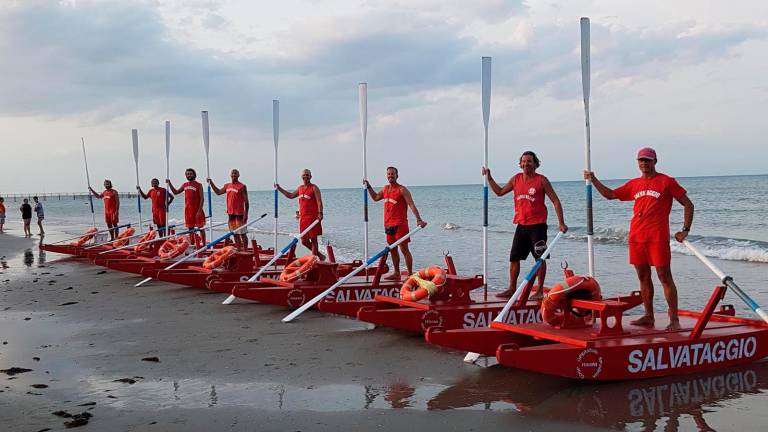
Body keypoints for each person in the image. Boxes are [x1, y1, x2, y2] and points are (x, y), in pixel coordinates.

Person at [584, 147, 694, 330]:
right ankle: (648, 316)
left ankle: (674, 319)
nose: (644, 163)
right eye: (641, 160)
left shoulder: (667, 182)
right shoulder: (634, 184)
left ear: (655, 161)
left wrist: (685, 230)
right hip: (636, 237)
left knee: (664, 276)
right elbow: (610, 195)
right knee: (643, 277)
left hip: (657, 237)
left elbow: (688, 204)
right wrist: (593, 179)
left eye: (648, 160)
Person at [483, 151, 568, 299]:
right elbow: (499, 192)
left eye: (529, 161)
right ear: (520, 164)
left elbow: (555, 201)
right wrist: (489, 177)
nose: (526, 164)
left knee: (539, 259)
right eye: (523, 161)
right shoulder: (516, 179)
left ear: (535, 164)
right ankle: (511, 288)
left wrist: (561, 222)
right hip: (521, 225)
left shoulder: (542, 180)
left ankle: (540, 290)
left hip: (538, 226)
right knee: (514, 258)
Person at [365, 166, 428, 280]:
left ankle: (410, 274)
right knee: (392, 250)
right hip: (388, 225)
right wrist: (368, 186)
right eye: (389, 174)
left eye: (393, 174)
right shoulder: (385, 189)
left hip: (400, 225)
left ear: (397, 175)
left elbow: (411, 205)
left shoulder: (402, 190)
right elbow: (375, 198)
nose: (390, 176)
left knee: (404, 249)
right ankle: (397, 273)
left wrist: (418, 219)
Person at [276, 169, 325, 259]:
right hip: (303, 219)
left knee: (314, 240)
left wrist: (320, 213)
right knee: (304, 241)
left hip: (313, 218)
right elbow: (290, 196)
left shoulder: (314, 187)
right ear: (301, 177)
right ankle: (320, 255)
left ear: (311, 176)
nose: (305, 176)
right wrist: (279, 188)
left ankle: (313, 260)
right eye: (304, 175)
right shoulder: (300, 188)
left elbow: (319, 202)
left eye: (307, 175)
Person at [208, 169, 249, 250]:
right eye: (233, 173)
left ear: (238, 175)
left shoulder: (242, 186)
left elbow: (247, 202)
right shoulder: (227, 185)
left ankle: (245, 250)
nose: (234, 175)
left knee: (242, 233)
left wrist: (246, 214)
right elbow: (218, 192)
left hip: (240, 214)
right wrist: (211, 182)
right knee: (234, 233)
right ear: (230, 175)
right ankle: (239, 249)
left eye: (236, 174)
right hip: (230, 214)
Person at [167, 168, 206, 246]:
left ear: (194, 174)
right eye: (187, 174)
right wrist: (169, 183)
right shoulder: (185, 185)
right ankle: (192, 244)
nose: (189, 175)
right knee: (190, 229)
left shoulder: (199, 185)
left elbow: (202, 199)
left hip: (197, 210)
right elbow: (176, 192)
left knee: (200, 228)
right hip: (188, 211)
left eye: (190, 174)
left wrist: (199, 211)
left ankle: (204, 245)